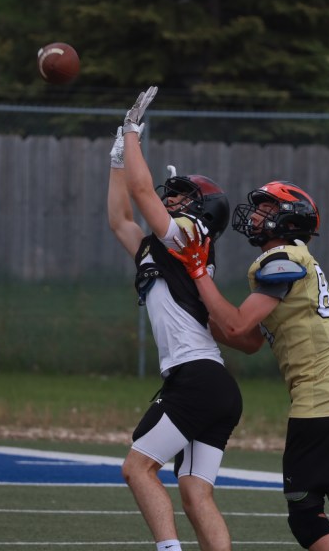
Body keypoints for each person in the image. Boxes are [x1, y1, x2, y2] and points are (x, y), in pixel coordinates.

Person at [169, 181, 329, 551]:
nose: (256, 216)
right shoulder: (297, 259)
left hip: (321, 400)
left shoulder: (281, 258)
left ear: (290, 221)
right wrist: (197, 316)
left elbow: (237, 325)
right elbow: (249, 341)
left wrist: (197, 273)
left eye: (267, 210)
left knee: (306, 513)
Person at [107, 86, 242, 551]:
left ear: (202, 211)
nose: (172, 201)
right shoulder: (164, 248)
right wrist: (118, 157)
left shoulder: (189, 234)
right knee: (195, 494)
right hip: (212, 382)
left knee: (137, 468)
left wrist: (132, 132)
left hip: (196, 378)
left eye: (182, 197)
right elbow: (121, 219)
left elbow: (142, 192)